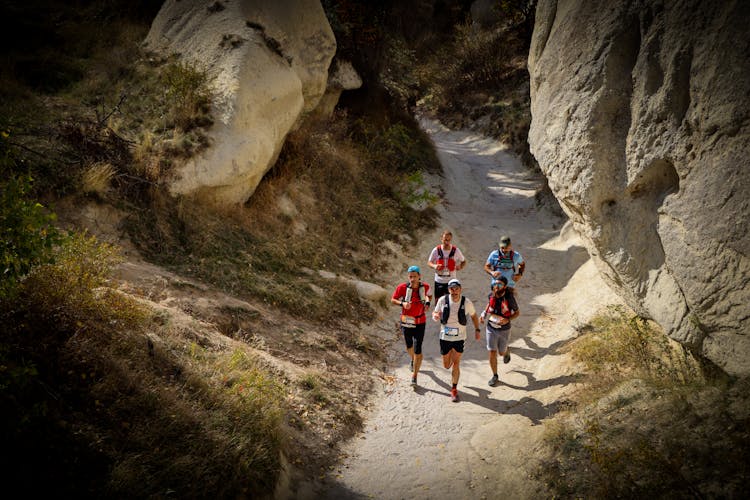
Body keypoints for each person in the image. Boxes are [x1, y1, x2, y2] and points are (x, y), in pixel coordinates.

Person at [431, 278, 480, 402]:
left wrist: (477, 329)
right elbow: (435, 313)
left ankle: (454, 389)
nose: (454, 291)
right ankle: (451, 361)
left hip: (460, 338)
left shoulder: (467, 302)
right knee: (447, 365)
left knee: (457, 363)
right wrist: (435, 316)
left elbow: (474, 316)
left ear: (460, 289)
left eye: (456, 288)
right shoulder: (443, 300)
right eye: (452, 289)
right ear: (448, 290)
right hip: (445, 337)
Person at [391, 265, 431, 386]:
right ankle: (414, 359)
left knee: (418, 348)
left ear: (419, 276)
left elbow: (429, 295)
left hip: (420, 322)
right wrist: (402, 303)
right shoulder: (402, 287)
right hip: (407, 321)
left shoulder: (425, 287)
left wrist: (428, 303)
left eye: (414, 276)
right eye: (410, 277)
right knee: (409, 346)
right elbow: (393, 299)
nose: (412, 279)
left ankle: (414, 376)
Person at [479, 276, 520, 387]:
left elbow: (517, 313)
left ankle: (506, 351)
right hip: (491, 328)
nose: (496, 286)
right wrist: (483, 314)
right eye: (495, 284)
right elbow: (489, 305)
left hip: (504, 330)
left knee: (501, 352)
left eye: (500, 284)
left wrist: (507, 319)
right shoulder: (491, 295)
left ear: (505, 286)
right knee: (492, 352)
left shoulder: (509, 298)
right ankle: (495, 375)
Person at [427, 230, 467, 303]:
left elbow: (464, 261)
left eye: (449, 240)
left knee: (451, 302)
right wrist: (434, 266)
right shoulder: (436, 250)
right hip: (439, 281)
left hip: (451, 281)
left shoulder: (456, 251)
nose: (447, 242)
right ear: (441, 239)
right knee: (438, 302)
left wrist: (460, 267)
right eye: (445, 240)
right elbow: (429, 262)